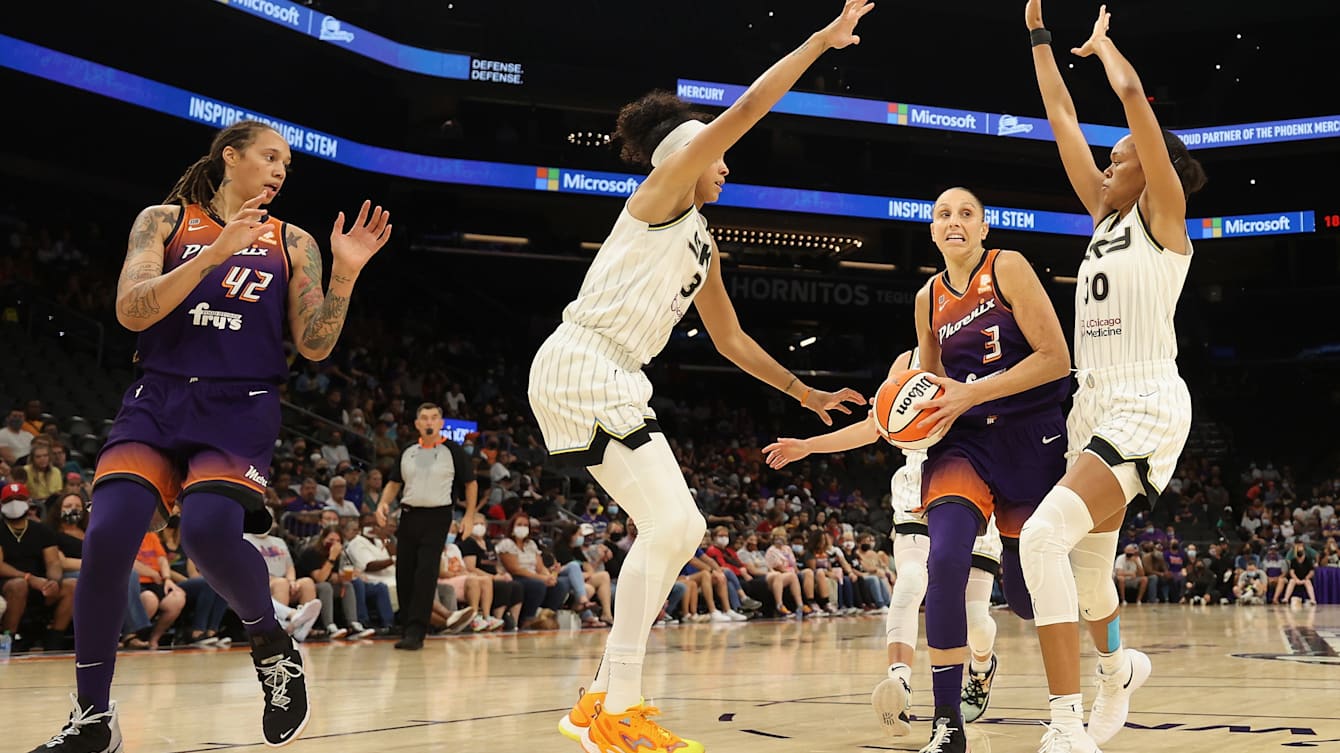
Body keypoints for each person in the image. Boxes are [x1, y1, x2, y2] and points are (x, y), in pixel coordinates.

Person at [533, 3, 872, 750]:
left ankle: (601, 696)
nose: (728, 162)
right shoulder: (661, 195)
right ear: (686, 152)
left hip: (609, 371)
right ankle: (612, 705)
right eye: (714, 153)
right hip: (585, 360)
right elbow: (748, 108)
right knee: (676, 525)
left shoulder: (701, 243)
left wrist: (806, 392)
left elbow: (732, 338)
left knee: (677, 528)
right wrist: (820, 39)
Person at [25, 120, 391, 753]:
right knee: (109, 537)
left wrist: (346, 274)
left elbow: (314, 344)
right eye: (270, 157)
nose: (280, 170)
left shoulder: (292, 239)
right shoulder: (162, 222)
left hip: (240, 403)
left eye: (287, 165)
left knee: (205, 533)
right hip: (158, 394)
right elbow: (131, 309)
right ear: (231, 156)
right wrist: (216, 254)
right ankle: (92, 718)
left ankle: (272, 645)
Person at [1017, 2, 1209, 751]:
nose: (1108, 160)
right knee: (1090, 578)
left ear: (1150, 168)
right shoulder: (1103, 218)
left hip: (1144, 400)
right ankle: (1118, 665)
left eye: (1121, 155)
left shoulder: (1165, 216)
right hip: (1091, 406)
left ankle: (1066, 724)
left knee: (1040, 541)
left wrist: (1105, 50)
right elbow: (1060, 113)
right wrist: (1037, 35)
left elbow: (1133, 104)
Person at [764, 348, 1011, 742]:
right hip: (917, 484)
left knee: (977, 619)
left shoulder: (984, 346)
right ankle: (900, 684)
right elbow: (874, 426)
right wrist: (809, 445)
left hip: (971, 479)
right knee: (911, 580)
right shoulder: (905, 361)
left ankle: (981, 668)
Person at [375, 403, 477, 649]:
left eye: (434, 418)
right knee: (405, 571)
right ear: (417, 424)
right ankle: (407, 625)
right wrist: (382, 503)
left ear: (441, 423)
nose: (429, 422)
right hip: (409, 515)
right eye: (424, 418)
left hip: (438, 516)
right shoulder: (408, 451)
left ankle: (416, 631)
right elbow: (394, 482)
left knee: (426, 571)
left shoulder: (453, 451)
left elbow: (471, 483)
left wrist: (470, 516)